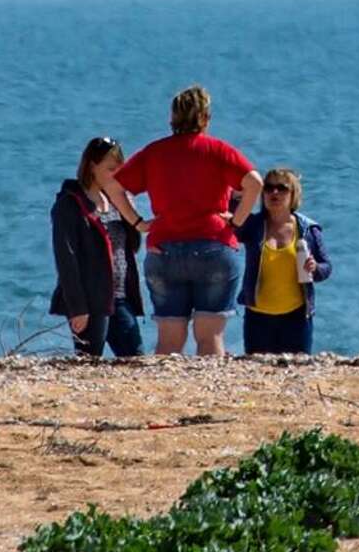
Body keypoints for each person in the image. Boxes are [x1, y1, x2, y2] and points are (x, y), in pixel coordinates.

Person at [103, 86, 261, 357]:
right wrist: (236, 222)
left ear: (172, 119)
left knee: (169, 340)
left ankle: (165, 394)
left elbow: (114, 186)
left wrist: (138, 222)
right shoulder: (218, 150)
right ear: (206, 118)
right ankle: (209, 395)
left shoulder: (154, 152)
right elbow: (254, 183)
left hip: (165, 248)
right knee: (210, 337)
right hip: (214, 244)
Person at [48, 137, 147, 357]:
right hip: (91, 299)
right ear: (92, 166)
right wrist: (77, 307)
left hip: (120, 296)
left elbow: (134, 244)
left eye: (121, 168)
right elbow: (66, 259)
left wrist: (127, 205)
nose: (117, 173)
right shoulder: (70, 204)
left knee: (136, 359)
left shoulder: (116, 200)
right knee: (89, 362)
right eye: (111, 169)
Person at [235, 167, 332, 354]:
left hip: (296, 317)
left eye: (282, 188)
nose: (274, 192)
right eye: (269, 188)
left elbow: (327, 267)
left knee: (296, 374)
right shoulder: (253, 225)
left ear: (293, 194)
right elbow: (229, 222)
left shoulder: (308, 230)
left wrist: (315, 268)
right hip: (258, 316)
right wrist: (239, 191)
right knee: (257, 376)